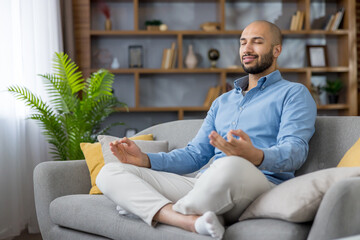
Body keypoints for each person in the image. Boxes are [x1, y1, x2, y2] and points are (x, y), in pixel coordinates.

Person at [96, 20, 317, 240]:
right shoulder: (222, 101)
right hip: (206, 182)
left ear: (276, 50)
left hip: (256, 182)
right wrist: (145, 160)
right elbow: (195, 155)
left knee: (232, 164)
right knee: (110, 172)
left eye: (257, 42)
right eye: (243, 43)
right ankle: (188, 221)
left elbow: (296, 151)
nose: (247, 49)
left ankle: (145, 207)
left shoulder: (294, 93)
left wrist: (255, 155)